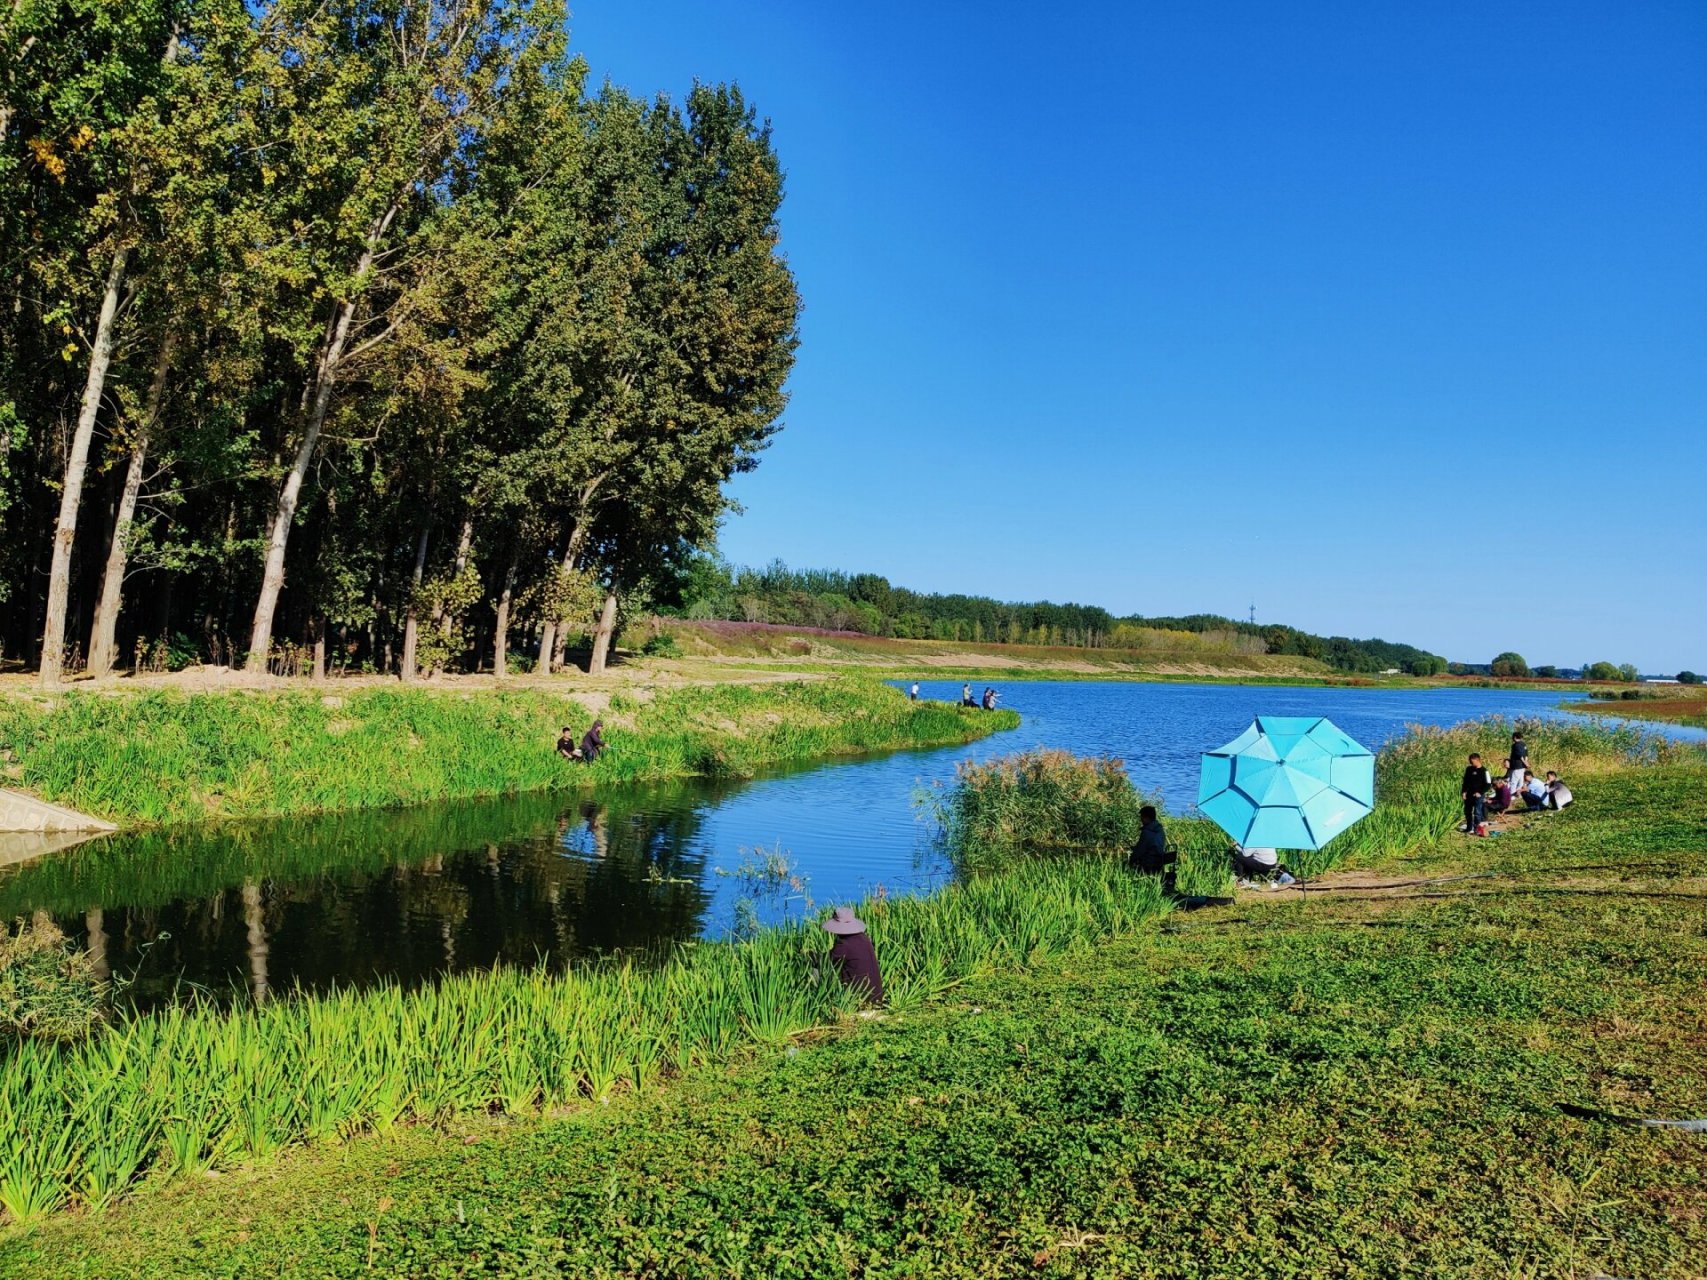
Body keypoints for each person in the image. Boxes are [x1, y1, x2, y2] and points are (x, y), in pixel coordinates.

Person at [821, 907, 883, 1004]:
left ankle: (820, 1000)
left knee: (817, 970)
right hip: (876, 996)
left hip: (860, 998)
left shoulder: (844, 944)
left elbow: (825, 960)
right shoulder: (864, 939)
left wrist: (809, 956)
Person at [1128, 805, 1174, 885]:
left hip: (1149, 863)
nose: (1141, 819)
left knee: (1129, 863)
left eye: (1142, 817)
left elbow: (1139, 851)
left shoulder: (1147, 832)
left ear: (1146, 818)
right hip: (1159, 861)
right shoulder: (1160, 830)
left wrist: (1131, 859)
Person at [1461, 753, 1491, 834]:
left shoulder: (1484, 771)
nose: (1471, 763)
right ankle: (1469, 828)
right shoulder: (1469, 769)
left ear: (1478, 760)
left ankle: (1476, 829)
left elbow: (1488, 784)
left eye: (1472, 762)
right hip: (1469, 794)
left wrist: (1480, 792)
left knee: (1477, 812)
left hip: (1478, 796)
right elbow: (1465, 782)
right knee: (1467, 812)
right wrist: (1463, 792)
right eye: (1470, 762)